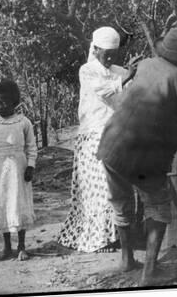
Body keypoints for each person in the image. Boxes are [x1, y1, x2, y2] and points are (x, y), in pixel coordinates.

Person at [97, 27, 177, 286]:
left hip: (112, 144)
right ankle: (150, 272)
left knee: (121, 202)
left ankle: (127, 260)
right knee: (158, 205)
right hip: (143, 154)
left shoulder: (145, 64)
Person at [57, 27, 138, 253]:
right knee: (99, 187)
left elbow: (132, 86)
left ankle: (118, 235)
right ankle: (100, 238)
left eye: (114, 54)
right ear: (95, 49)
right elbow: (104, 91)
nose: (110, 58)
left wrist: (134, 73)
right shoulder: (88, 70)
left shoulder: (118, 71)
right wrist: (128, 76)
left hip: (116, 135)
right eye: (106, 53)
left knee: (117, 188)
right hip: (94, 136)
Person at [0, 80, 38, 261]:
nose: (0, 106)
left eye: (4, 102)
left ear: (14, 102)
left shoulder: (23, 122)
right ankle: (6, 246)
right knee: (3, 203)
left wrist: (31, 166)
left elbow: (31, 147)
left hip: (19, 168)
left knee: (19, 203)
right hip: (0, 170)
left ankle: (21, 246)